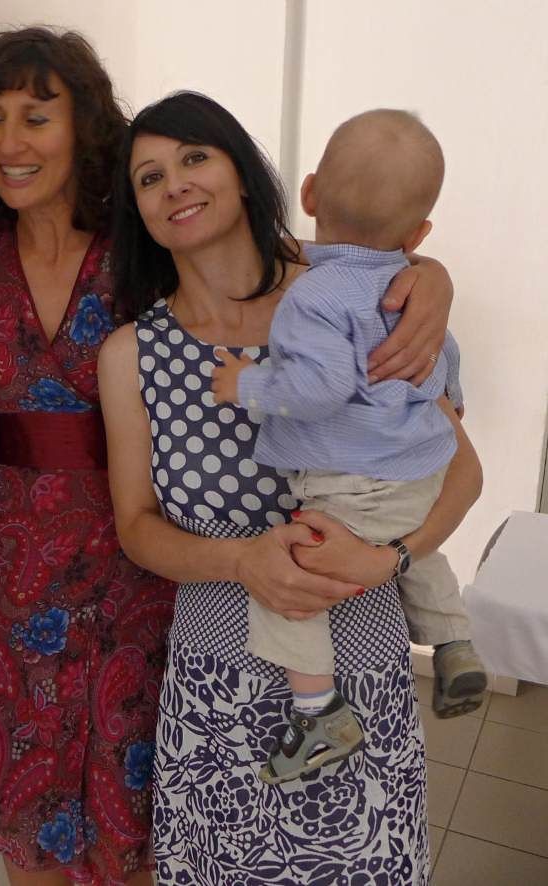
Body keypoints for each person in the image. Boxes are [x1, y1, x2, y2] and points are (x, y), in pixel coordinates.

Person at [0, 28, 453, 886]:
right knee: (33, 828)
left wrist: (427, 278)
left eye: (37, 116)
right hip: (3, 573)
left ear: (84, 126)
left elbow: (336, 264)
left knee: (136, 821)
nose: (11, 141)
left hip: (137, 565)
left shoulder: (141, 235)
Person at [99, 92, 482, 883]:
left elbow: (461, 471)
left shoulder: (359, 306)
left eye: (195, 158)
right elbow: (136, 526)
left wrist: (393, 558)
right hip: (213, 676)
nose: (175, 184)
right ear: (137, 210)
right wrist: (242, 562)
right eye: (149, 177)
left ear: (245, 173)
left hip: (359, 657)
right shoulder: (133, 352)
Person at [210, 108, 487, 785]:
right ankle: (453, 639)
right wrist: (444, 402)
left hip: (352, 478)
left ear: (308, 194)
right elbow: (446, 358)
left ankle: (319, 713)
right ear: (419, 234)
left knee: (291, 574)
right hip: (419, 467)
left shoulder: (315, 295)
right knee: (412, 539)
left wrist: (247, 384)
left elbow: (322, 386)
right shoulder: (409, 287)